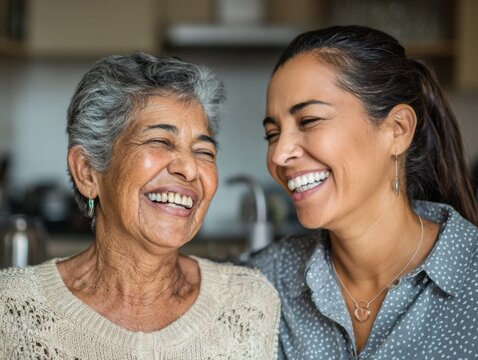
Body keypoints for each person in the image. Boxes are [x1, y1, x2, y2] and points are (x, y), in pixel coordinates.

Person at [0, 53, 280, 359]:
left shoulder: (248, 304)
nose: (189, 169)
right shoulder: (13, 308)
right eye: (160, 141)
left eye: (204, 151)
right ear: (87, 171)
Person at [251, 25, 478, 359]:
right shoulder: (267, 279)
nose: (279, 155)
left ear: (397, 130)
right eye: (272, 134)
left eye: (309, 120)